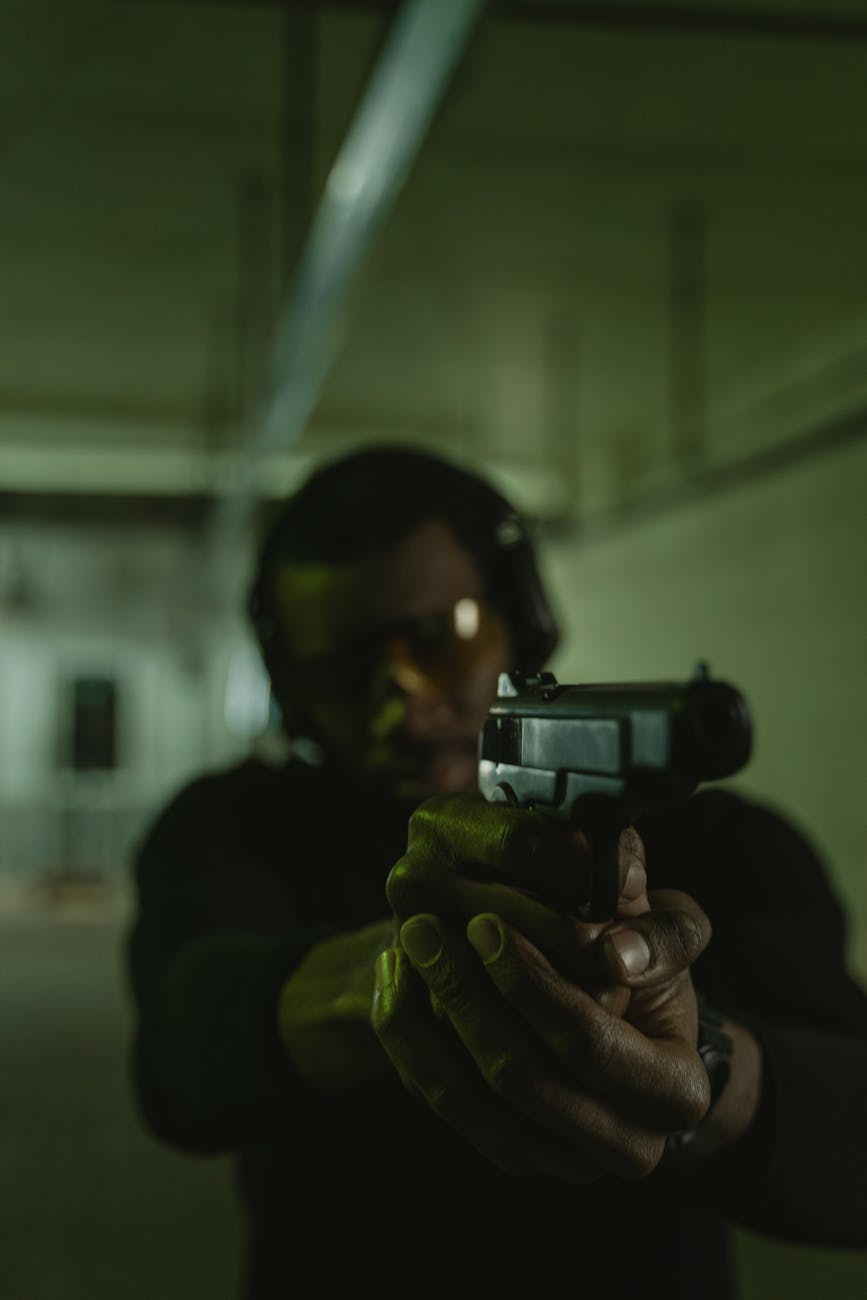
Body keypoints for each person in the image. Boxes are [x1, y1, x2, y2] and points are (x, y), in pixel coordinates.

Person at [128, 446, 867, 1299]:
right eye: (342, 669)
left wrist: (698, 1063)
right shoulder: (236, 824)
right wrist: (415, 968)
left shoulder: (725, 845)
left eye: (442, 640)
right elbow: (186, 1053)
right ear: (290, 688)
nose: (402, 699)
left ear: (525, 620)